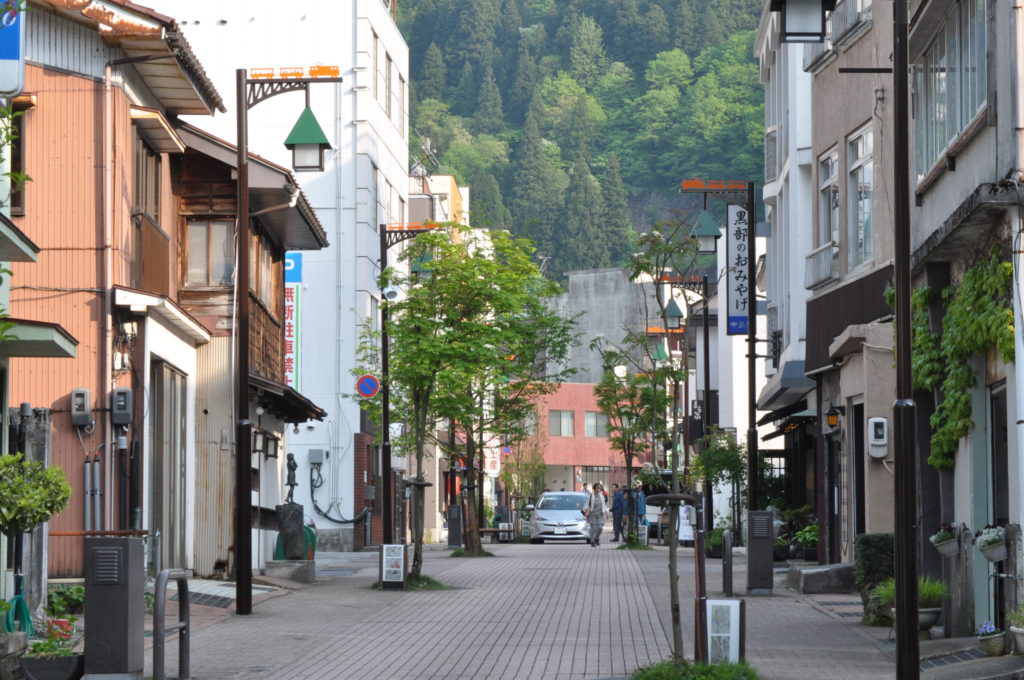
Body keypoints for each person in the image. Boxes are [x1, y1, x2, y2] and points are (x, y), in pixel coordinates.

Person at [582, 482, 607, 546]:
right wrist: (586, 511)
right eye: (597, 488)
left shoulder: (602, 495)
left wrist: (605, 513)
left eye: (600, 488)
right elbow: (587, 504)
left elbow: (604, 505)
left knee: (600, 528)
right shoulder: (590, 495)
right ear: (594, 489)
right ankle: (592, 541)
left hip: (600, 514)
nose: (599, 489)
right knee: (593, 529)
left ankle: (597, 538)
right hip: (592, 514)